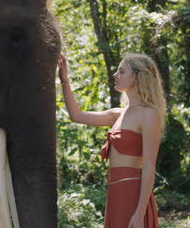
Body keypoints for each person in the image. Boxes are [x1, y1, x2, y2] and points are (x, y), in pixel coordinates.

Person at [58, 53, 166, 228]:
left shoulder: (149, 115)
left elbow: (148, 167)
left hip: (133, 195)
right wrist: (64, 80)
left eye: (121, 71)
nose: (115, 75)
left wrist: (139, 214)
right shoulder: (119, 114)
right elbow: (76, 115)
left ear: (138, 77)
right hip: (115, 192)